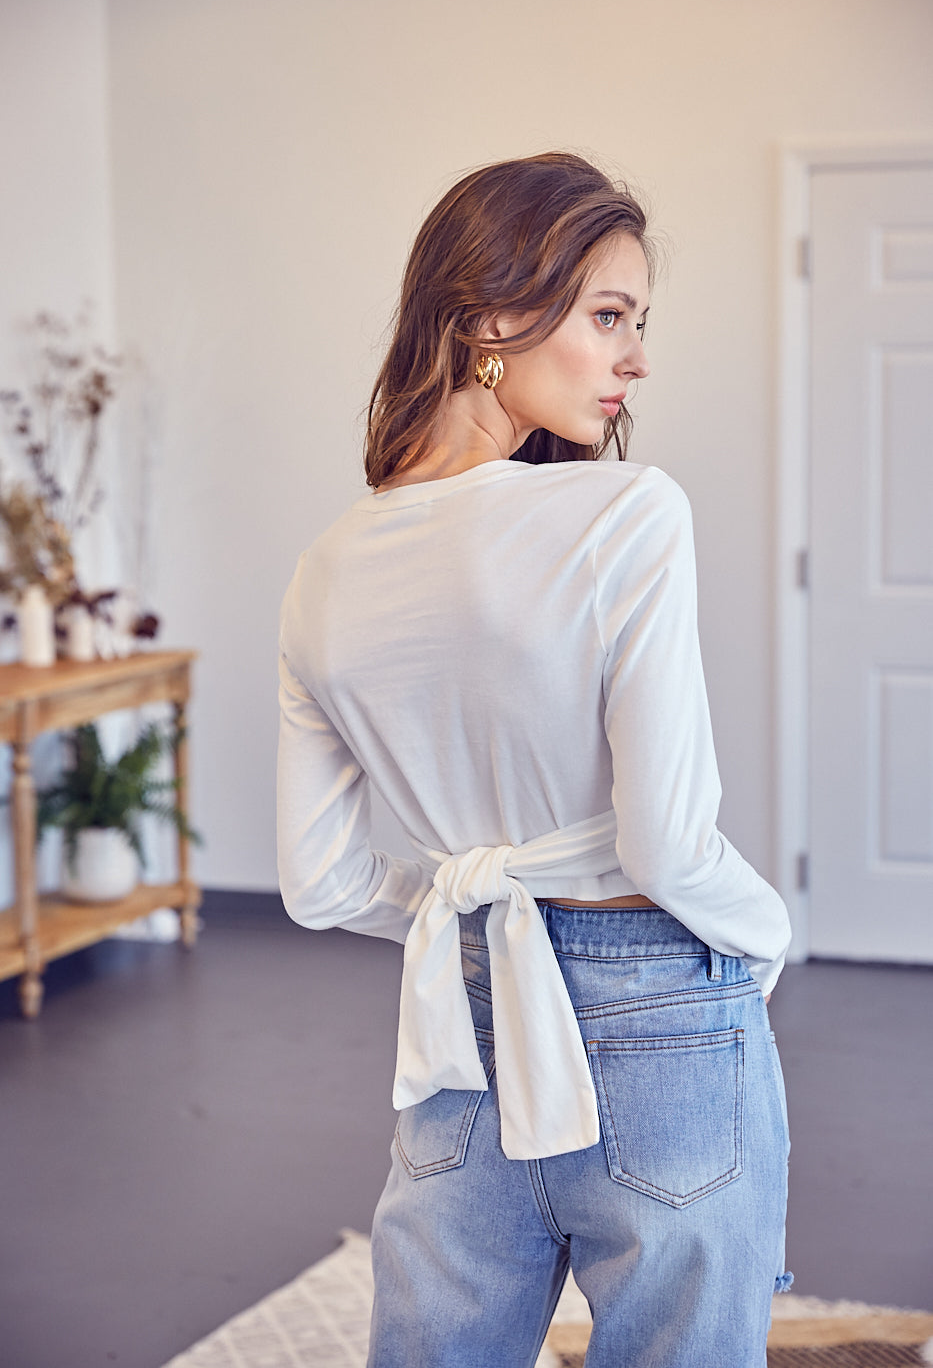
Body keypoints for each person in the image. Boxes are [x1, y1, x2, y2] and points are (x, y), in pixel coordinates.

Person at [277, 152, 793, 1368]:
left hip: (459, 1009)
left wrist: (470, 894)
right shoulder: (628, 511)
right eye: (608, 316)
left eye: (637, 322)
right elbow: (667, 841)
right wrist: (762, 927)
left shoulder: (323, 570)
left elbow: (322, 885)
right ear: (492, 320)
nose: (636, 356)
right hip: (659, 1001)